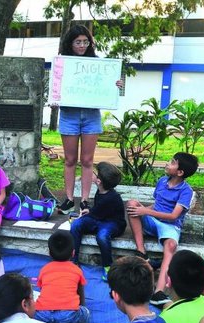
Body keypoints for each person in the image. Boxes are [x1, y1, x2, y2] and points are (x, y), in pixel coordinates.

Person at [56, 25, 123, 215]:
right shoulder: (63, 63)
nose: (82, 45)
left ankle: (85, 200)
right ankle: (69, 199)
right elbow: (55, 88)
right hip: (69, 115)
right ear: (70, 43)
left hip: (91, 116)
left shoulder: (99, 64)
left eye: (86, 42)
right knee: (69, 160)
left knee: (87, 160)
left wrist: (118, 85)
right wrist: (55, 98)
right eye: (78, 42)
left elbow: (111, 87)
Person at [126, 152, 199, 306]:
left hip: (170, 225)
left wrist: (146, 211)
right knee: (132, 204)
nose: (167, 163)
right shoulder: (162, 181)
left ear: (180, 172)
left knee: (171, 245)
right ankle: (142, 252)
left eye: (172, 162)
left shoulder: (186, 191)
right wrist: (143, 210)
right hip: (153, 221)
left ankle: (158, 292)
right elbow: (156, 205)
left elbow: (173, 216)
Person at [70, 162, 126, 280]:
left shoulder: (111, 197)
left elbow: (97, 212)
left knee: (102, 236)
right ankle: (73, 260)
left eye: (95, 173)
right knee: (76, 225)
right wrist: (88, 211)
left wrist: (88, 211)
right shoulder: (101, 190)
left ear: (99, 181)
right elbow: (97, 211)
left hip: (113, 223)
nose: (92, 174)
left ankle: (107, 266)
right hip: (99, 218)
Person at [34, 231, 89, 323]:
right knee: (86, 313)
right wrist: (81, 307)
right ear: (73, 253)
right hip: (68, 316)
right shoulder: (76, 270)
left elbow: (42, 289)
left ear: (49, 253)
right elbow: (81, 293)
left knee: (35, 316)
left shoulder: (44, 270)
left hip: (43, 315)